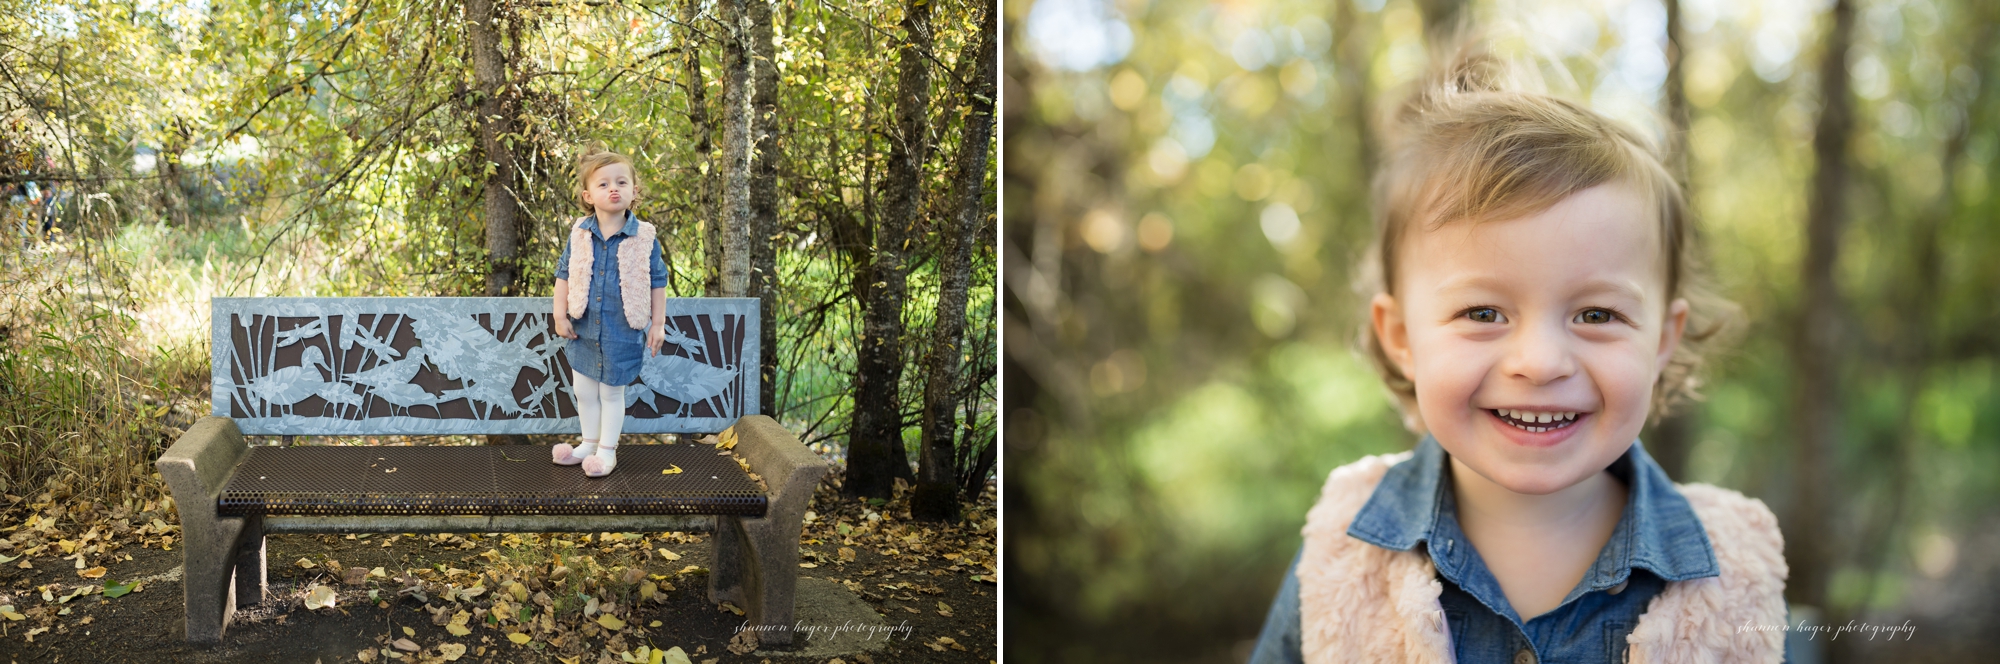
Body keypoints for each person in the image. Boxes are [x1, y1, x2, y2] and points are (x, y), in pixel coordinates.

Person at [1248, 42, 1787, 663]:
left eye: (1596, 315)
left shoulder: (1733, 570)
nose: (1540, 361)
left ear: (1661, 339)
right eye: (1483, 313)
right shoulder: (1342, 556)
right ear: (1401, 338)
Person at [551, 144, 670, 478]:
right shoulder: (580, 234)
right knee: (584, 390)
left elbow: (657, 281)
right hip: (584, 329)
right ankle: (588, 444)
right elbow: (564, 274)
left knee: (611, 392)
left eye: (621, 182)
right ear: (588, 195)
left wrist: (657, 325)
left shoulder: (644, 236)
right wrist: (559, 315)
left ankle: (607, 451)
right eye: (603, 184)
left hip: (621, 330)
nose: (613, 188)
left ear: (634, 192)